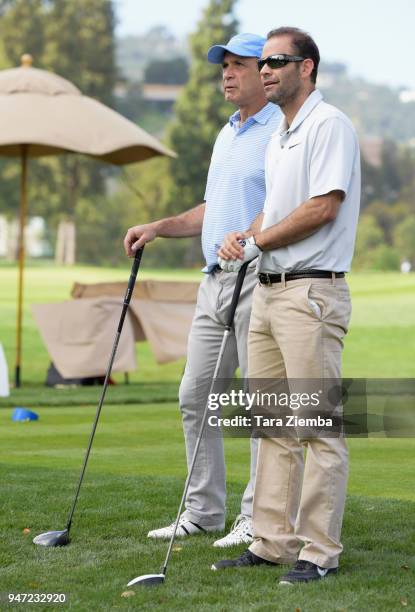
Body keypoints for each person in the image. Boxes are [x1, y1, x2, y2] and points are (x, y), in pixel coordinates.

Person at [213, 26, 360, 581]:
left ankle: (318, 552)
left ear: (307, 69)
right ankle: (272, 541)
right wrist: (242, 235)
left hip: (311, 291)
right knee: (272, 424)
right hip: (270, 293)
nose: (266, 69)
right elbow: (274, 212)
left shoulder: (329, 125)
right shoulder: (280, 135)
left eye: (278, 61)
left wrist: (258, 240)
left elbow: (322, 207)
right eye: (264, 61)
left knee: (318, 427)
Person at [123, 33, 282, 547]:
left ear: (267, 72)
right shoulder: (227, 134)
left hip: (257, 276)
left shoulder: (282, 127)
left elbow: (282, 202)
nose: (228, 75)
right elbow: (213, 210)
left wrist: (250, 235)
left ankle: (259, 516)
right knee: (196, 394)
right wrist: (159, 226)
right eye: (224, 68)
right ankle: (203, 511)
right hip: (213, 279)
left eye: (239, 66)